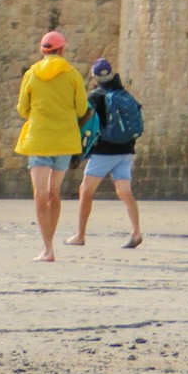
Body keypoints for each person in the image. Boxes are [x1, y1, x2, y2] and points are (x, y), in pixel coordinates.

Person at [15, 30, 89, 263]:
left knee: (40, 194)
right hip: (64, 140)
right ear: (62, 50)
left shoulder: (31, 74)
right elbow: (81, 109)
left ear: (42, 51)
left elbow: (22, 109)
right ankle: (51, 244)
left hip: (39, 139)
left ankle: (47, 248)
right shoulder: (73, 75)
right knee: (54, 193)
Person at [64, 58, 143, 250]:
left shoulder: (96, 96)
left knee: (86, 190)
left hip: (104, 151)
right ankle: (136, 231)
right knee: (125, 191)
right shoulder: (124, 93)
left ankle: (80, 235)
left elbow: (86, 124)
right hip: (126, 150)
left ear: (95, 77)